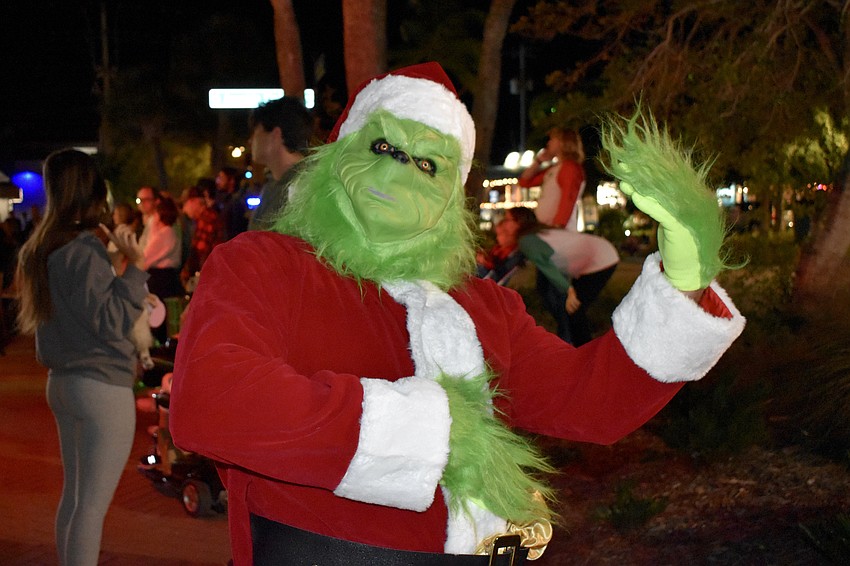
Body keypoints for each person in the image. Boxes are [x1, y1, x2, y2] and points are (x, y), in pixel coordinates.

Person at [169, 63, 745, 565]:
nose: (400, 173)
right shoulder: (264, 264)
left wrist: (682, 286)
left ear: (453, 195)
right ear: (339, 152)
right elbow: (213, 401)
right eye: (384, 148)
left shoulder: (487, 307)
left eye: (428, 165)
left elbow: (591, 401)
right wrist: (433, 431)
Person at [15, 149, 149, 566]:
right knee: (90, 506)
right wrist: (136, 269)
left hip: (64, 383)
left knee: (75, 499)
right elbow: (110, 321)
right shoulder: (82, 249)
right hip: (101, 387)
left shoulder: (41, 248)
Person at [506, 206, 620, 346]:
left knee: (574, 308)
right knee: (573, 309)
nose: (505, 224)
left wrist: (569, 289)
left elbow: (548, 268)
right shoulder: (538, 232)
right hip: (601, 254)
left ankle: (584, 351)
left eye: (508, 220)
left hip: (599, 260)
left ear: (519, 221)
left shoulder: (527, 240)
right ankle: (579, 347)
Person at [247, 96, 313, 231]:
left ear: (275, 134)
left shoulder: (308, 187)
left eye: (256, 132)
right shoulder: (272, 186)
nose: (250, 141)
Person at [518, 127, 586, 231]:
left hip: (559, 232)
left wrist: (558, 227)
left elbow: (568, 199)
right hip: (548, 229)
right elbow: (524, 182)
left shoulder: (570, 168)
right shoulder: (554, 169)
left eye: (552, 139)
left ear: (562, 142)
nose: (548, 143)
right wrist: (539, 161)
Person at [179, 186, 224, 288]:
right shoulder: (209, 216)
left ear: (194, 201)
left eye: (185, 204)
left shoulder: (206, 219)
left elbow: (199, 250)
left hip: (210, 274)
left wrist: (186, 272)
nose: (184, 209)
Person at [476, 219, 524, 286]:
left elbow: (499, 269)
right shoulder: (499, 248)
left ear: (510, 235)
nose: (497, 237)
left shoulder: (511, 252)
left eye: (500, 234)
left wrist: (484, 263)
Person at [214, 166, 250, 240]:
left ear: (231, 180)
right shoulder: (225, 199)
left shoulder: (237, 202)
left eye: (221, 178)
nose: (218, 181)